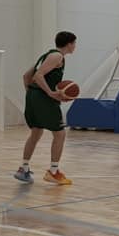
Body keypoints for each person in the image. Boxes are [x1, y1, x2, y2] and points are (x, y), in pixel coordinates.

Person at [14, 31, 78, 185]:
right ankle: (53, 172)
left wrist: (32, 95)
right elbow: (38, 76)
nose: (75, 46)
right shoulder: (57, 56)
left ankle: (23, 169)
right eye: (74, 43)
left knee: (36, 132)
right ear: (69, 44)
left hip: (33, 96)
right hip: (43, 98)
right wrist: (50, 93)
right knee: (60, 134)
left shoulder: (46, 55)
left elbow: (26, 76)